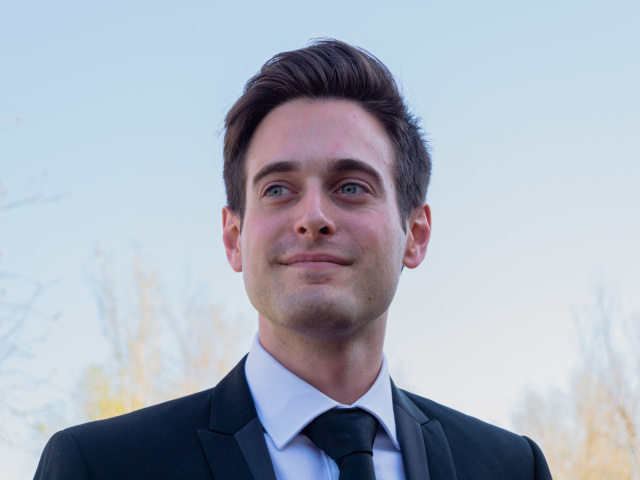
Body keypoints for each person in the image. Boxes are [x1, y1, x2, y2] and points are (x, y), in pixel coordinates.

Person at [34, 39, 552, 480]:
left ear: (415, 235)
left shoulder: (511, 468)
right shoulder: (100, 465)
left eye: (351, 186)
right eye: (278, 189)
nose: (312, 217)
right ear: (234, 238)